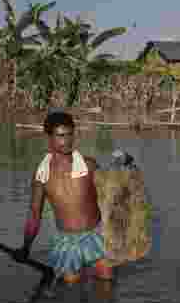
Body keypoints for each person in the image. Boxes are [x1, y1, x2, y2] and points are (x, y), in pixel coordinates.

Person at [21, 111, 113, 284]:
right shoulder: (42, 176)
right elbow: (34, 214)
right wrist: (26, 247)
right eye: (61, 136)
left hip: (96, 236)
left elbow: (109, 200)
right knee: (71, 294)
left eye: (70, 134)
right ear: (49, 137)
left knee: (107, 285)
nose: (67, 140)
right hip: (67, 243)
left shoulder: (89, 166)